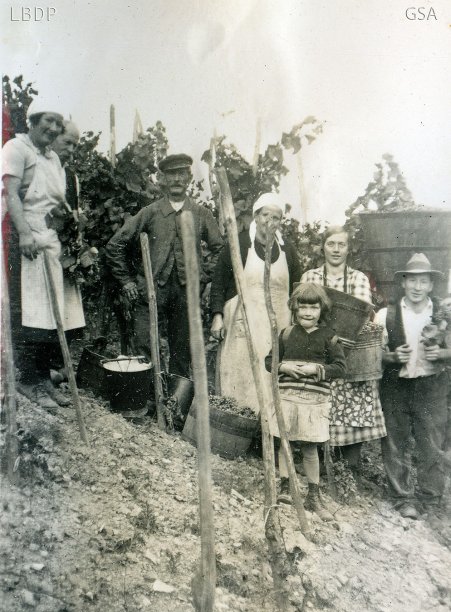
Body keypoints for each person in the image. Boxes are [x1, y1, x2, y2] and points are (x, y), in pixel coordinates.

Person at [106, 154, 223, 378]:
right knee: (145, 347)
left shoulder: (201, 214)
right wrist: (128, 281)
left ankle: (176, 405)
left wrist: (202, 277)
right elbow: (115, 245)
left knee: (182, 349)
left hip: (186, 294)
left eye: (181, 174)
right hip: (151, 291)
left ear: (189, 177)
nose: (177, 179)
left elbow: (219, 249)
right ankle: (148, 402)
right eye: (171, 174)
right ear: (162, 179)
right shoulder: (150, 212)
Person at [2, 101, 85, 409]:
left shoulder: (50, 157)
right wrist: (24, 233)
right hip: (26, 236)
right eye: (48, 121)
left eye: (57, 123)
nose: (52, 128)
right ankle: (28, 381)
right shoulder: (16, 148)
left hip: (49, 239)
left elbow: (57, 201)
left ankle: (43, 383)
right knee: (29, 313)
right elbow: (11, 194)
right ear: (33, 120)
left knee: (47, 315)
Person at [301, 225, 386, 475]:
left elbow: (361, 316)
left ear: (348, 249)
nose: (336, 250)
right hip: (317, 349)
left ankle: (349, 468)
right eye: (331, 244)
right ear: (323, 247)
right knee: (317, 401)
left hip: (352, 350)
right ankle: (316, 463)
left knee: (354, 401)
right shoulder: (311, 277)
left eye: (341, 245)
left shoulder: (358, 279)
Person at [210, 193, 301, 413]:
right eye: (265, 215)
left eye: (276, 217)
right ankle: (238, 426)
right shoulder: (239, 243)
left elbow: (297, 288)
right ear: (256, 217)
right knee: (241, 372)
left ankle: (268, 431)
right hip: (244, 322)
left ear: (281, 222)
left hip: (277, 324)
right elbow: (219, 282)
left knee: (272, 373)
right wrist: (217, 316)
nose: (270, 220)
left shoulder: (287, 250)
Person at [375, 254, 449, 519]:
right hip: (397, 386)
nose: (417, 287)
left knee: (432, 443)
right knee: (396, 442)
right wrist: (391, 357)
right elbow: (371, 354)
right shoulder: (386, 314)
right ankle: (402, 498)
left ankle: (431, 500)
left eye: (424, 281)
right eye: (412, 281)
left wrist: (443, 354)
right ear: (403, 283)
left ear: (431, 285)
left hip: (432, 387)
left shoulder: (444, 314)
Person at [265, 283, 346, 518]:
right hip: (288, 397)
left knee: (310, 447)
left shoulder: (329, 338)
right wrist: (284, 366)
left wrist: (315, 369)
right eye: (303, 307)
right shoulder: (286, 334)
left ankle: (313, 494)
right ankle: (285, 487)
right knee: (285, 443)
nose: (308, 313)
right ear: (294, 308)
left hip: (314, 401)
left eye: (313, 307)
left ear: (322, 309)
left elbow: (340, 367)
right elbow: (269, 360)